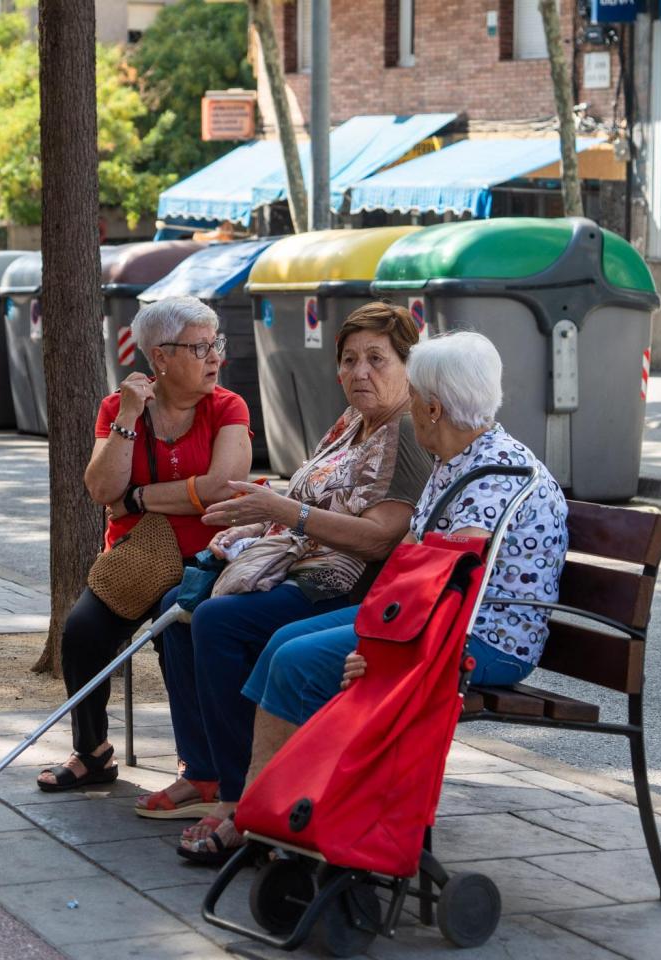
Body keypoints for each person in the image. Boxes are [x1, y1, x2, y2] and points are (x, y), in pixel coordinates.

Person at [185, 332, 569, 862]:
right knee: (281, 644)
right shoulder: (458, 460)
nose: (408, 408)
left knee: (297, 660)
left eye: (413, 397)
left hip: (482, 638)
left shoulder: (494, 477)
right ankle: (267, 813)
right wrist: (373, 633)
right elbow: (413, 564)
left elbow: (450, 589)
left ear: (433, 408)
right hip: (437, 618)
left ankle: (277, 818)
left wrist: (374, 647)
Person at [141, 304, 430, 850]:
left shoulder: (408, 431)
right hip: (297, 563)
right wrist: (254, 525)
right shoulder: (350, 423)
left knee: (219, 621)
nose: (361, 372)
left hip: (346, 587)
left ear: (407, 365)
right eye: (349, 360)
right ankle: (204, 767)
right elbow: (301, 496)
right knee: (176, 606)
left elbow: (379, 538)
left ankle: (236, 795)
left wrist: (282, 514)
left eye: (377, 359)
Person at [36, 296, 252, 792]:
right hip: (138, 558)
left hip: (208, 556)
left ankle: (196, 759)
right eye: (201, 348)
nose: (216, 357)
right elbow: (99, 490)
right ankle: (92, 752)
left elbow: (224, 486)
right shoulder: (119, 407)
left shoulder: (227, 406)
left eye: (216, 344)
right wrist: (129, 416)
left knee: (179, 628)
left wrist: (138, 497)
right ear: (160, 356)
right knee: (83, 631)